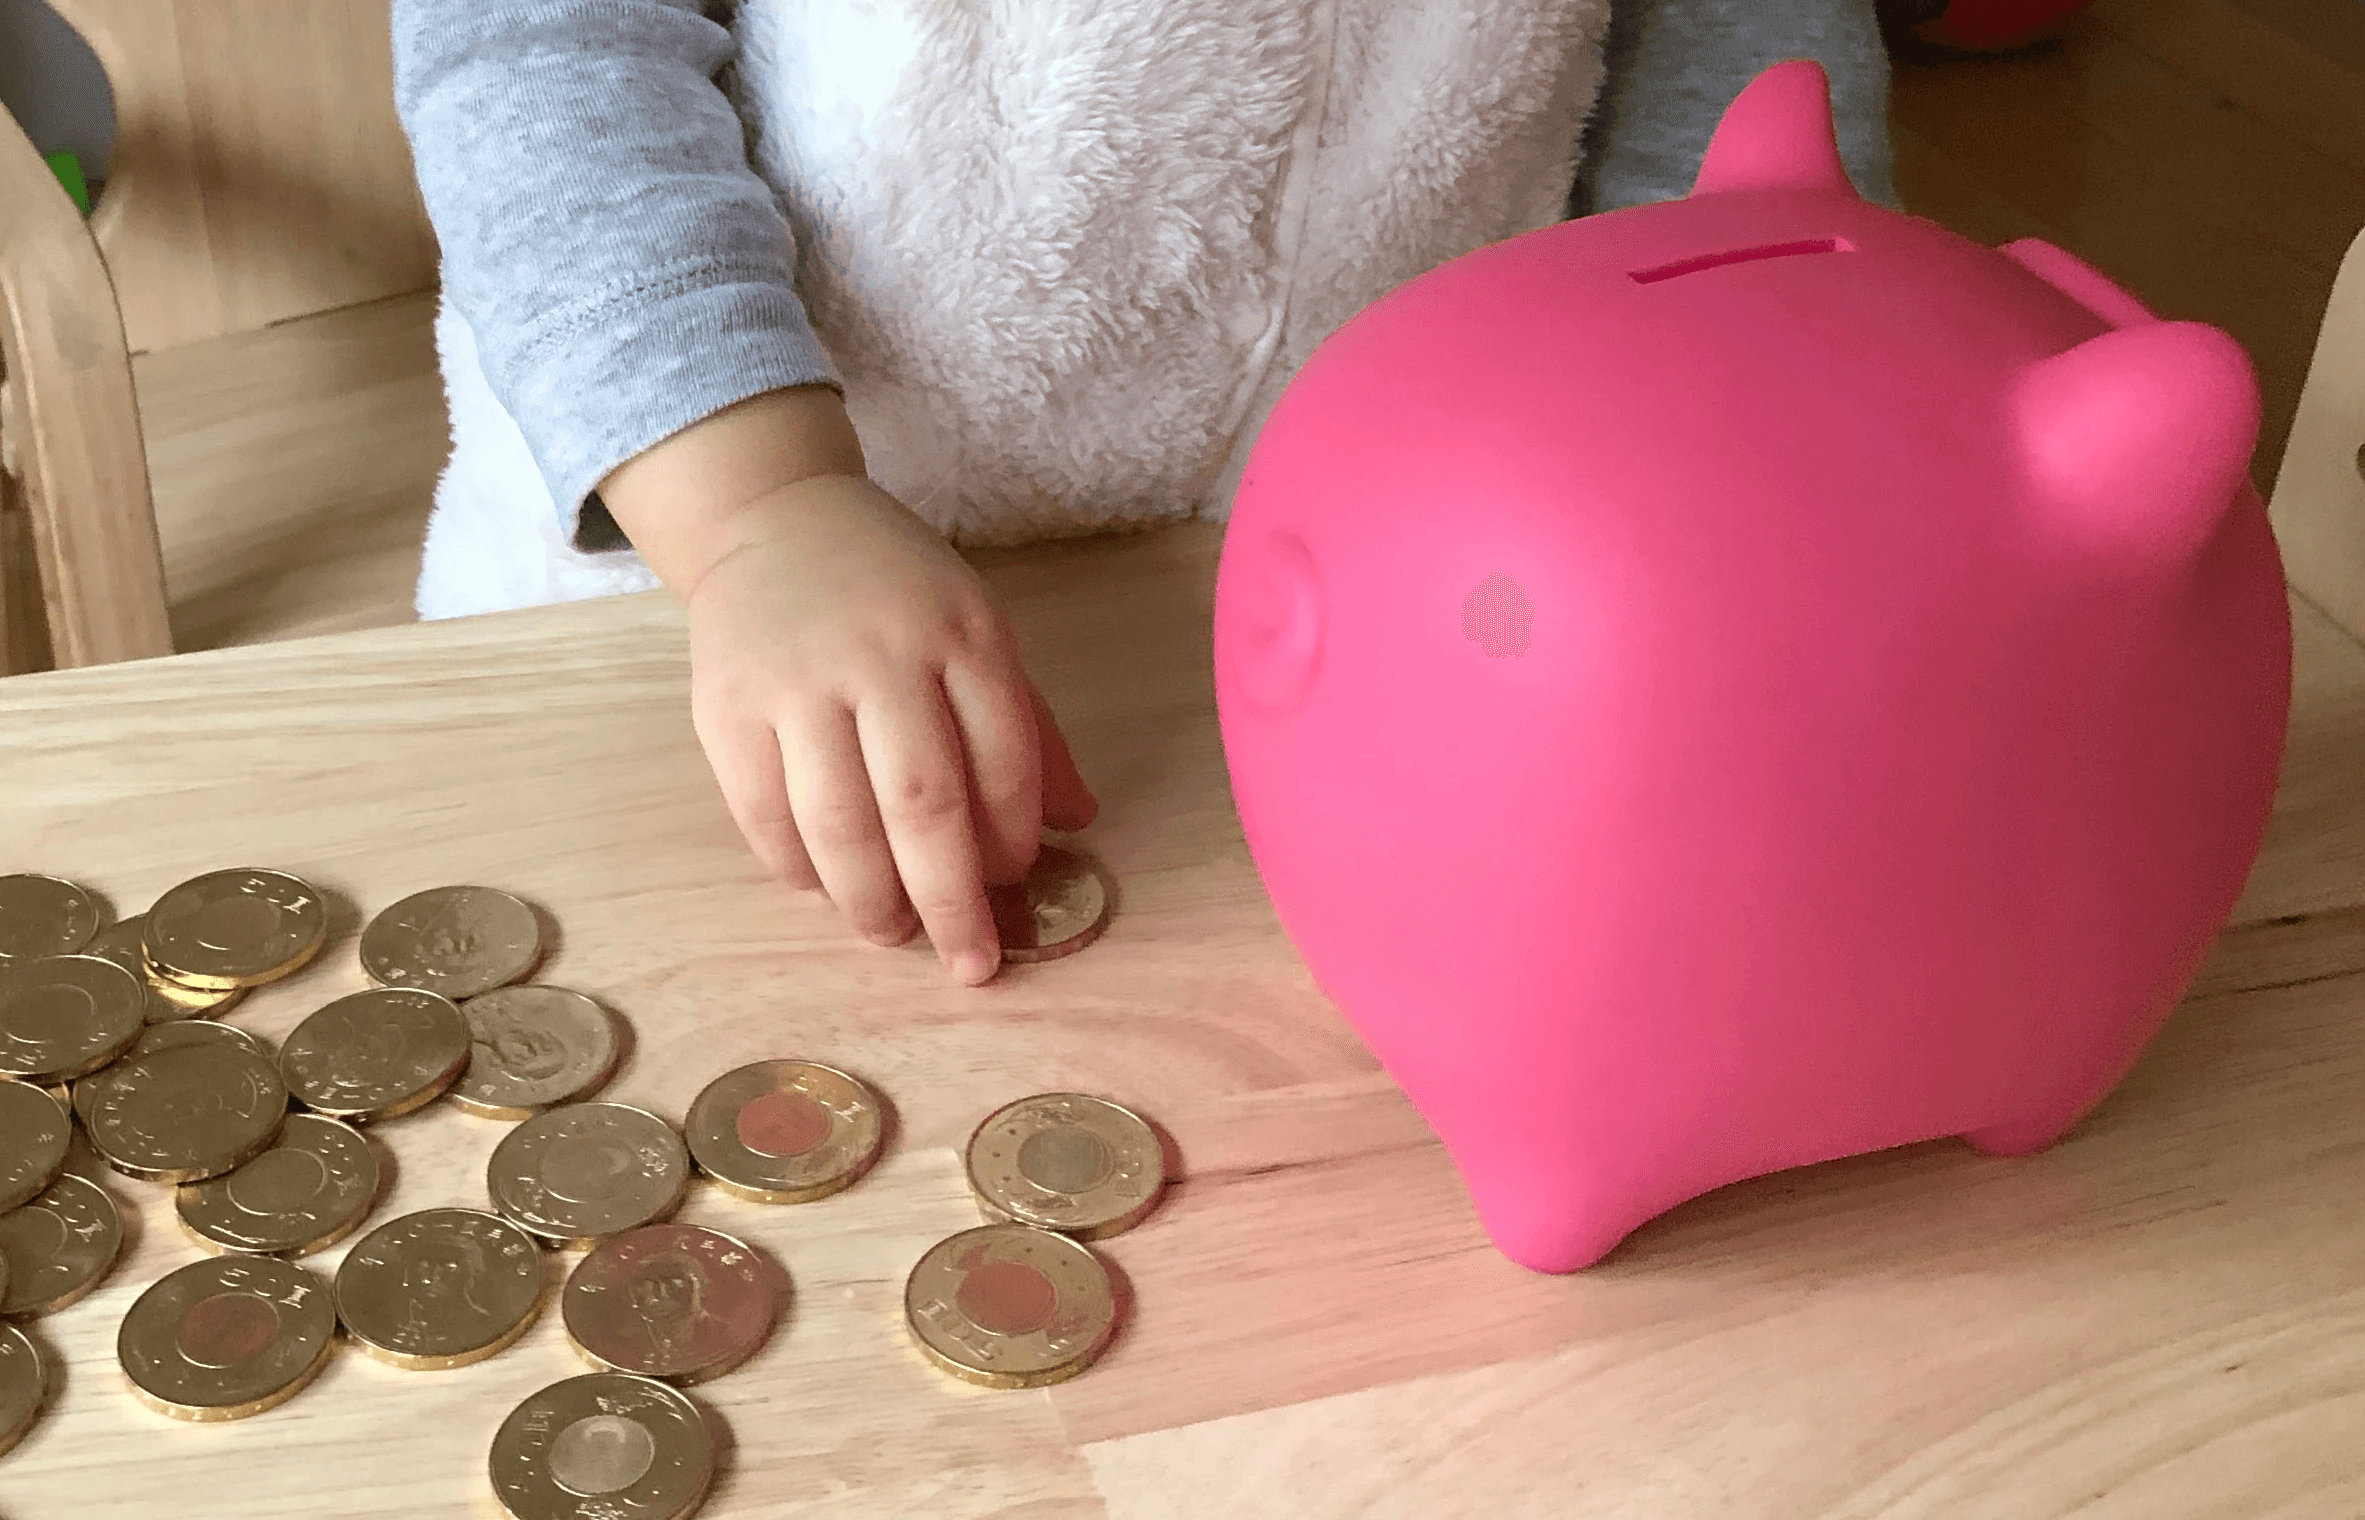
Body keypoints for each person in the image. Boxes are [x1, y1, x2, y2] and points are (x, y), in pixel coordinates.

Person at [392, 0, 1896, 985]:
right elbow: (538, 50)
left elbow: (1743, 77)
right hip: (719, 567)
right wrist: (755, 510)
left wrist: (1745, 431)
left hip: (1369, 596)